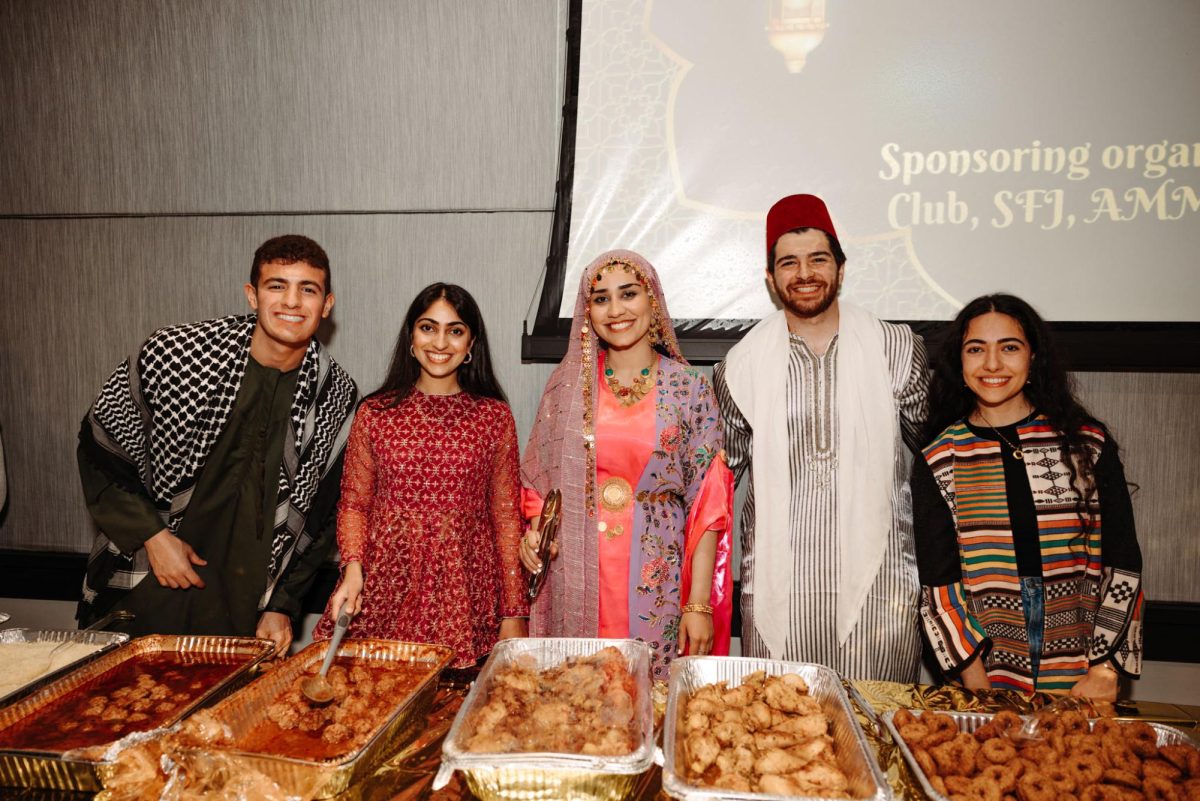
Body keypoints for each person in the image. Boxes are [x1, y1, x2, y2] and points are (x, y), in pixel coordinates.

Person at [77, 235, 358, 655]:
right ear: (252, 295)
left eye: (308, 289)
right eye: (277, 285)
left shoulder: (335, 396)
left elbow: (318, 525)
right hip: (148, 586)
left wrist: (281, 606)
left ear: (327, 304)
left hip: (242, 610)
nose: (292, 302)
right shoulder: (174, 354)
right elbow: (101, 448)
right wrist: (153, 537)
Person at [713, 194, 929, 681]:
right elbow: (719, 483)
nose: (804, 273)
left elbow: (941, 458)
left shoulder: (896, 349)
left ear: (842, 268)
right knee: (781, 731)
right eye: (789, 262)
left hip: (882, 590)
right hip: (779, 589)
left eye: (818, 259)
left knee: (878, 730)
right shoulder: (739, 368)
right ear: (771, 279)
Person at [914, 294, 1143, 698]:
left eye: (1009, 347)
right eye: (976, 349)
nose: (992, 364)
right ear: (959, 363)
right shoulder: (939, 458)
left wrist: (1105, 670)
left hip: (1084, 666)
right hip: (986, 663)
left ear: (1033, 357)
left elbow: (1121, 564)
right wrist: (979, 689)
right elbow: (941, 587)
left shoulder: (1087, 444)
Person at [520, 250, 734, 681]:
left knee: (648, 704)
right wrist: (534, 533)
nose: (615, 310)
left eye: (628, 294)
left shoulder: (690, 388)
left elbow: (708, 505)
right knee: (578, 702)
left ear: (651, 300)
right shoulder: (566, 386)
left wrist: (697, 604)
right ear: (587, 310)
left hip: (658, 580)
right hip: (576, 576)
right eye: (600, 299)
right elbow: (538, 483)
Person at [313, 284, 527, 667]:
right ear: (411, 337)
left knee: (453, 714)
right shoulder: (375, 414)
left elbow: (507, 518)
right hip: (383, 588)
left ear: (470, 343)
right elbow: (354, 505)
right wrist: (352, 569)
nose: (440, 341)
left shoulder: (493, 418)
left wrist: (514, 612)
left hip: (462, 594)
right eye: (428, 328)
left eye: (455, 330)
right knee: (371, 702)